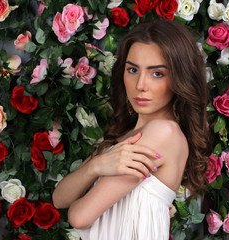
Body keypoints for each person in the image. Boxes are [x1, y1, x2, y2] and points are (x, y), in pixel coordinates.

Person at [52, 19, 213, 240]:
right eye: (133, 70)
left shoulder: (162, 133)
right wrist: (96, 166)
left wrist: (97, 166)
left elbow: (79, 216)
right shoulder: (127, 136)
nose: (140, 85)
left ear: (178, 79)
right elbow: (59, 198)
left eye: (157, 73)